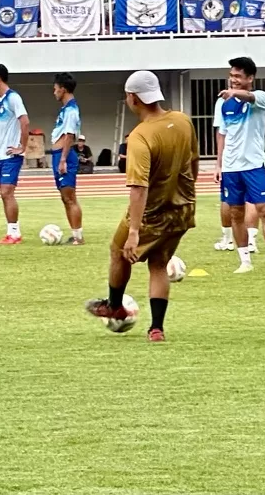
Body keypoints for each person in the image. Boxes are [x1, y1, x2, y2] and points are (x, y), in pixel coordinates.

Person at [82, 70, 198, 343]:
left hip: (152, 213)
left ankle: (114, 306)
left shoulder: (139, 136)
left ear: (133, 98)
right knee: (159, 264)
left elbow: (138, 187)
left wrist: (134, 230)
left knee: (117, 250)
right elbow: (193, 164)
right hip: (182, 209)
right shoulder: (182, 120)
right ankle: (156, 329)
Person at [214, 56, 265, 273]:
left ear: (250, 78)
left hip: (254, 165)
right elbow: (222, 133)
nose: (233, 80)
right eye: (231, 76)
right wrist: (218, 164)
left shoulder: (261, 97)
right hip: (230, 167)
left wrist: (235, 92)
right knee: (236, 213)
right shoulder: (222, 102)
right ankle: (244, 261)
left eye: (238, 76)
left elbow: (249, 96)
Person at [0, 63, 29, 244]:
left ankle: (15, 234)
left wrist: (22, 147)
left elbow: (25, 122)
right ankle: (11, 232)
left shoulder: (13, 98)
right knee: (4, 194)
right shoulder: (0, 102)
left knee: (7, 192)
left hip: (11, 155)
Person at [49, 72, 85, 245]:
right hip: (58, 155)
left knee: (70, 197)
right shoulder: (66, 108)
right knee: (65, 197)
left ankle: (78, 237)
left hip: (64, 156)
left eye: (55, 89)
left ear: (63, 89)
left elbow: (69, 135)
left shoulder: (71, 110)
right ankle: (75, 234)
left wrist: (63, 159)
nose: (54, 92)